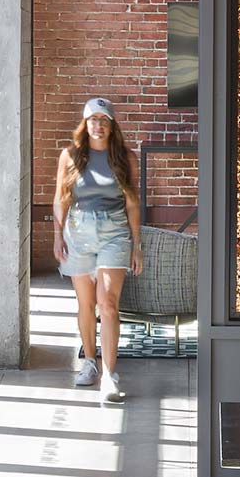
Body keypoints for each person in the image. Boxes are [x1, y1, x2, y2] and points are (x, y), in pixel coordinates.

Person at [54, 96, 142, 404]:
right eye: (93, 119)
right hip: (78, 232)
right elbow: (61, 199)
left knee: (109, 304)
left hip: (114, 232)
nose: (98, 125)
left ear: (112, 125)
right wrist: (57, 236)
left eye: (104, 120)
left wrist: (136, 245)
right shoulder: (70, 156)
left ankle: (109, 375)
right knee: (86, 303)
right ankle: (89, 362)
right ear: (85, 123)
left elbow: (132, 203)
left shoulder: (125, 158)